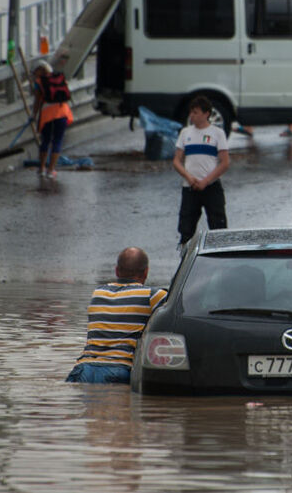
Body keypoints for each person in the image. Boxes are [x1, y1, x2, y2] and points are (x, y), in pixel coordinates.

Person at [66, 247, 167, 383]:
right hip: (119, 370)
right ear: (146, 272)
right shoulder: (153, 295)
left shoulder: (98, 293)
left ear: (117, 270)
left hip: (83, 368)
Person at [173, 96, 230, 248]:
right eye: (191, 112)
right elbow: (177, 161)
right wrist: (189, 177)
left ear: (206, 114)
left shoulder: (217, 133)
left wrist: (206, 181)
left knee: (218, 225)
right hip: (190, 187)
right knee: (186, 227)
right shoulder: (185, 133)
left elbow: (224, 162)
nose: (192, 116)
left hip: (211, 187)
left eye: (196, 112)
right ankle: (185, 257)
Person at [31, 59, 74, 179]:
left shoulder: (39, 82)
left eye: (35, 72)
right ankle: (51, 170)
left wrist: (33, 115)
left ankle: (42, 169)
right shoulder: (59, 78)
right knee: (57, 140)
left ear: (39, 71)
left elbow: (37, 101)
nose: (34, 74)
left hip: (47, 114)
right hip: (62, 111)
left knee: (45, 140)